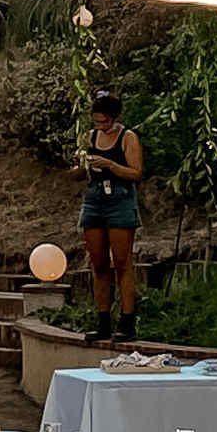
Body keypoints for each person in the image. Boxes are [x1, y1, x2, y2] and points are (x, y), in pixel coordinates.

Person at [75, 88, 144, 340]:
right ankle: (102, 319)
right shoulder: (90, 137)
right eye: (96, 121)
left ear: (114, 118)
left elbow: (136, 173)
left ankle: (127, 321)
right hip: (95, 200)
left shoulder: (128, 138)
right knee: (99, 263)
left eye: (104, 121)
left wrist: (111, 165)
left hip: (120, 200)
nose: (100, 126)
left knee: (122, 263)